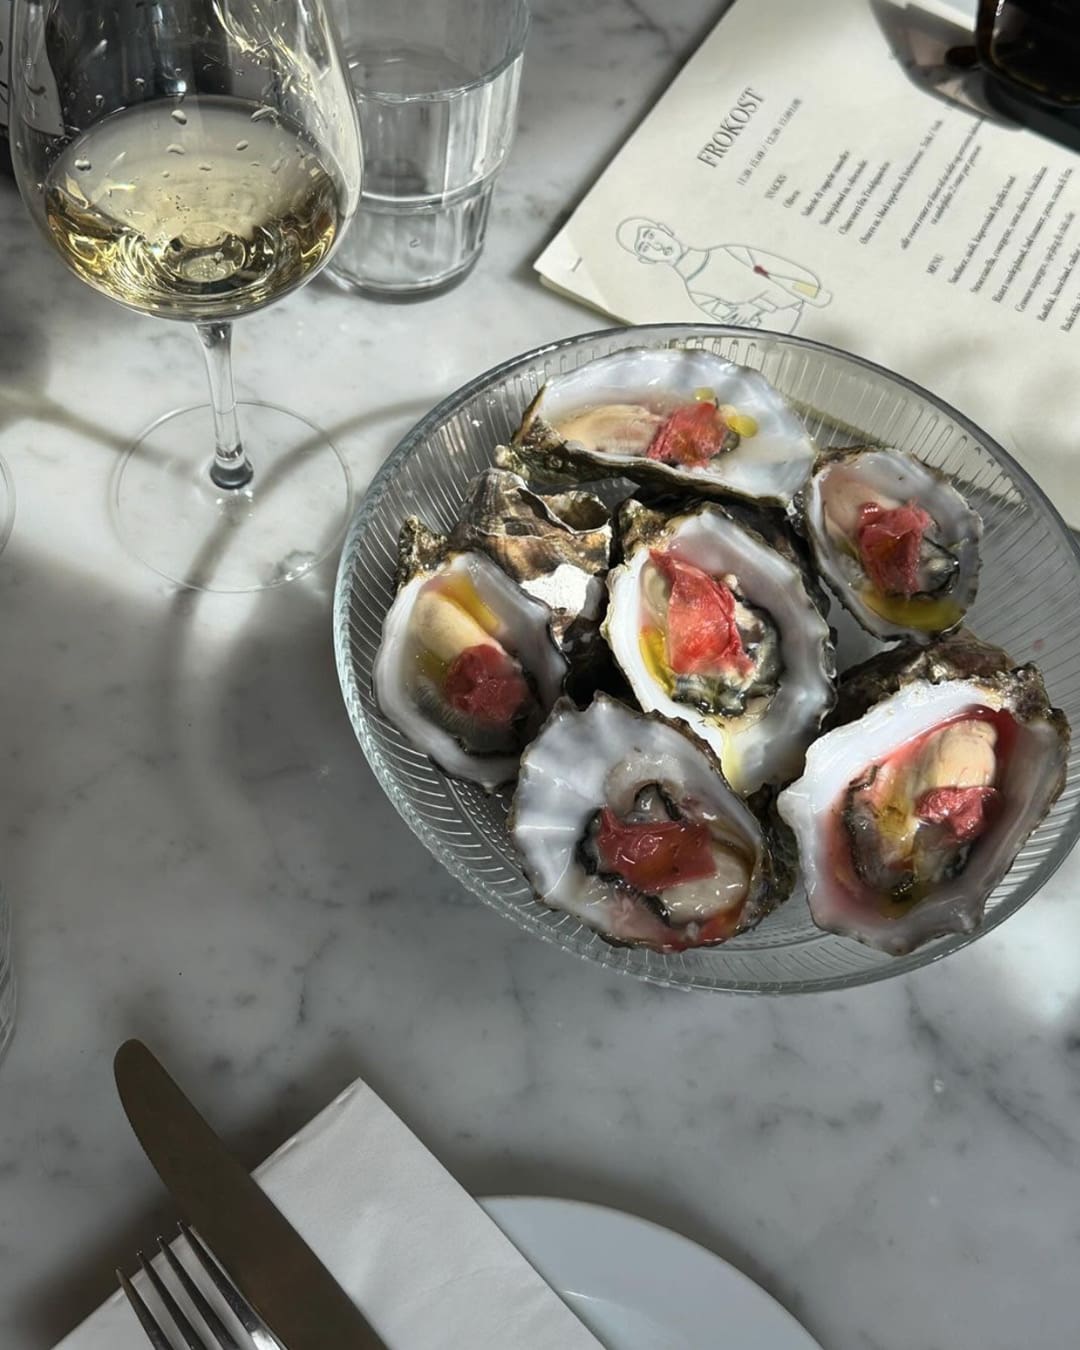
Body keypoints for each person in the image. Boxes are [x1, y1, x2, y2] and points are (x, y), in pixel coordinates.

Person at [616, 217, 831, 333]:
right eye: (644, 247)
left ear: (664, 229)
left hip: (811, 312)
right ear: (646, 259)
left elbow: (789, 275)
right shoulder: (697, 293)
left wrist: (754, 305)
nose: (655, 244)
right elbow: (747, 328)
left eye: (651, 234)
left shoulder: (727, 251)